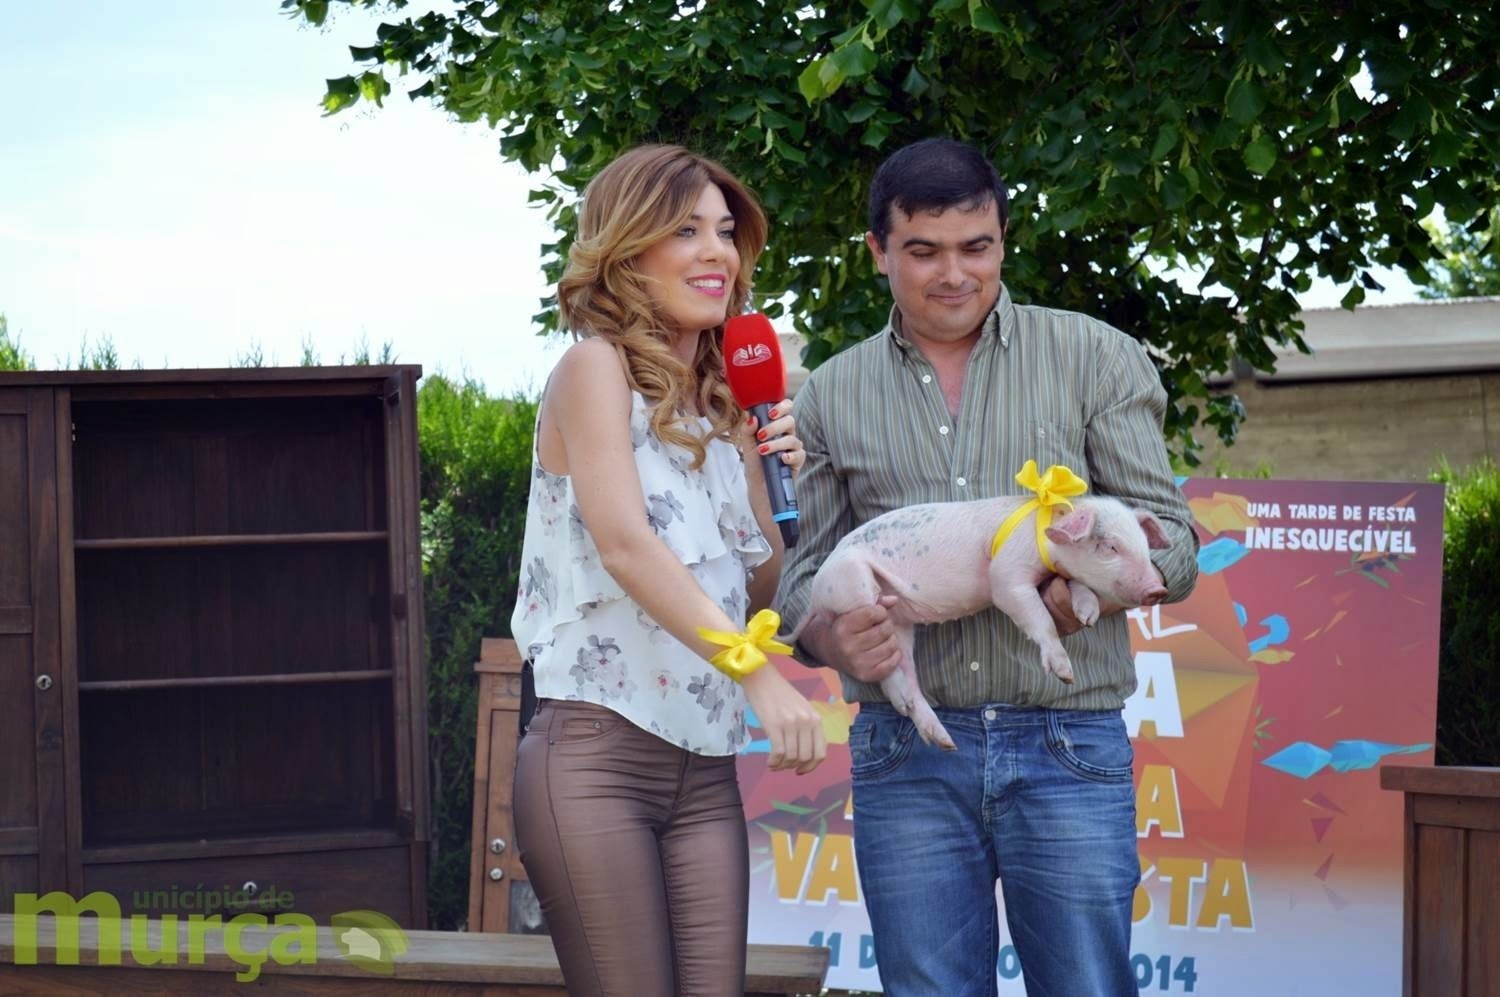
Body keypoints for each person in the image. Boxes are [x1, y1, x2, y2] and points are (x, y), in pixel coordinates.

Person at [776, 137, 1199, 996]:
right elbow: (799, 581)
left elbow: (1177, 550)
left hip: (1066, 740)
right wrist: (828, 638)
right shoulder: (829, 393)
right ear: (878, 250)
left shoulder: (1094, 355)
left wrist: (1076, 593)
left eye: (977, 247)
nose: (954, 274)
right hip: (906, 749)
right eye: (923, 251)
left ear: (1004, 236)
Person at [509, 144, 827, 997]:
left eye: (725, 232)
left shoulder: (722, 407)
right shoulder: (594, 369)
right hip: (597, 760)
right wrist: (757, 673)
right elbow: (625, 545)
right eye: (686, 231)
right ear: (626, 248)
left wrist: (766, 472)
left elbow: (753, 591)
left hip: (705, 769)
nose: (717, 252)